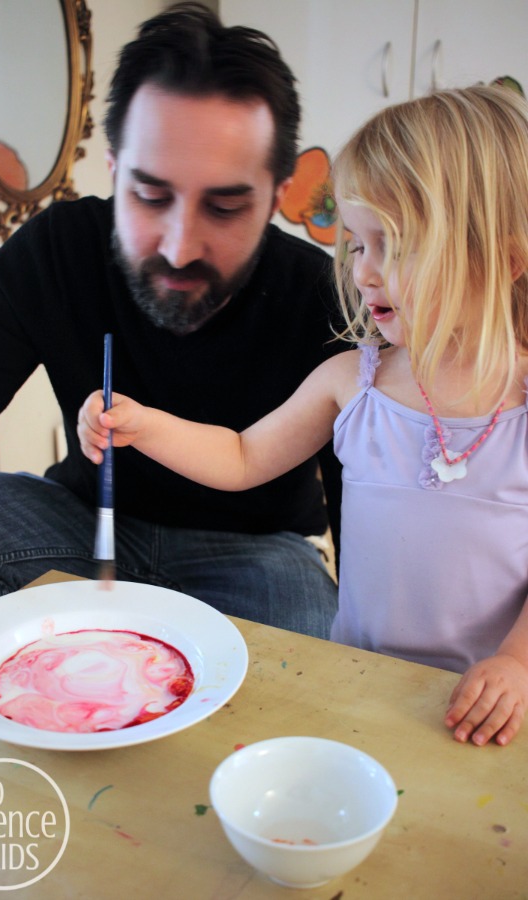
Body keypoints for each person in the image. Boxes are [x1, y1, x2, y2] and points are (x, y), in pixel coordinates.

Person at [79, 84, 528, 747]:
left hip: (491, 709)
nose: (365, 273)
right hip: (359, 682)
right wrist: (146, 426)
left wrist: (517, 664)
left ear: (502, 260)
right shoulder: (353, 383)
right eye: (356, 244)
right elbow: (242, 457)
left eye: (393, 247)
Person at [0, 2, 345, 642]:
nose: (180, 248)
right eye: (151, 197)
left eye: (226, 206)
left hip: (258, 553)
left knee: (308, 658)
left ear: (280, 191)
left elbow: (367, 503)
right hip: (76, 520)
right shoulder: (56, 251)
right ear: (114, 170)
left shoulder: (326, 294)